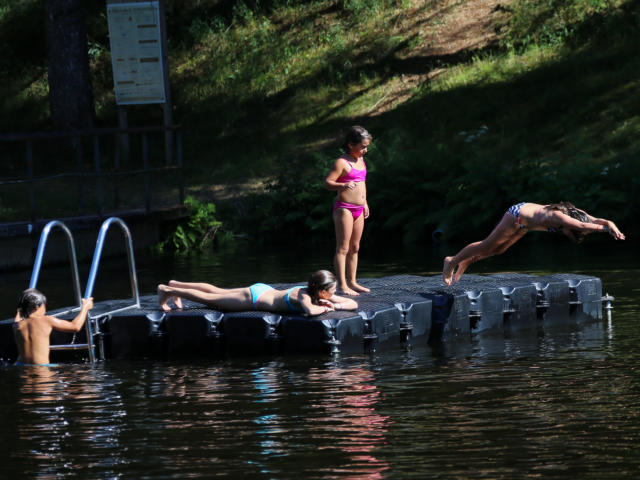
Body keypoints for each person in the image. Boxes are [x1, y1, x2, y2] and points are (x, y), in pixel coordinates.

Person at [442, 201, 625, 285]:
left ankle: (466, 262)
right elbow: (582, 225)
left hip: (527, 225)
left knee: (499, 250)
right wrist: (605, 230)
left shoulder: (579, 214)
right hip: (517, 215)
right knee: (487, 245)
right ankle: (452, 261)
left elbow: (597, 221)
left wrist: (611, 225)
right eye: (571, 234)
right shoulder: (561, 217)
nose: (568, 235)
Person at [158, 269, 358, 315]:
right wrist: (327, 309)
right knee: (210, 299)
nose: (334, 293)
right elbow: (309, 311)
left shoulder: (319, 293)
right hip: (255, 298)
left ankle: (178, 284)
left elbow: (353, 304)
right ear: (322, 291)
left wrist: (337, 304)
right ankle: (167, 289)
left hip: (263, 290)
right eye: (332, 291)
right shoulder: (303, 295)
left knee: (217, 290)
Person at [325, 125, 372, 295]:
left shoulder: (361, 160)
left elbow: (362, 184)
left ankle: (352, 282)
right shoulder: (341, 162)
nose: (365, 150)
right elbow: (328, 183)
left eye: (366, 147)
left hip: (359, 208)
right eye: (362, 147)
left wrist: (365, 202)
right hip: (344, 209)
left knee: (355, 247)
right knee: (343, 247)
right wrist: (343, 184)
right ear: (351, 144)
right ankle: (342, 285)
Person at [13, 288, 94, 366]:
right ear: (37, 307)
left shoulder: (17, 325)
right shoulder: (46, 320)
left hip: (20, 365)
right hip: (41, 368)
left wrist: (22, 308)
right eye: (44, 306)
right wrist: (85, 308)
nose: (45, 310)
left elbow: (19, 315)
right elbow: (75, 327)